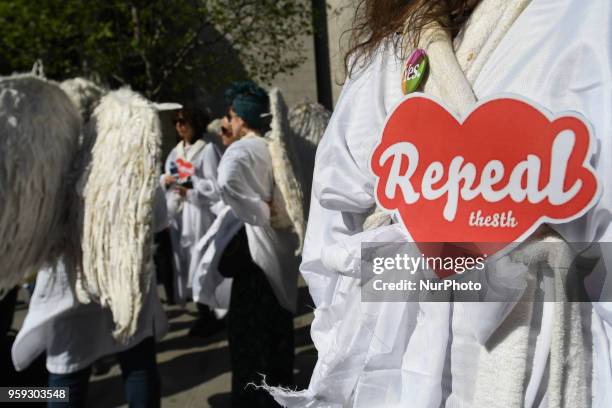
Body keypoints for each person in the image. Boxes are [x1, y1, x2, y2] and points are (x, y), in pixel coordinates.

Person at [271, 0, 612, 407]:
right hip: (396, 381)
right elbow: (335, 231)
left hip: (539, 379)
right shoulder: (393, 50)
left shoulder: (587, 21)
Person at [12, 187, 169, 408]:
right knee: (137, 364)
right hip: (124, 281)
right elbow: (158, 217)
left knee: (67, 374)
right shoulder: (133, 153)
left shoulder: (52, 156)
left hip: (69, 286)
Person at [216, 81, 299, 407]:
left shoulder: (241, 149)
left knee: (250, 349)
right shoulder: (271, 146)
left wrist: (257, 210)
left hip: (255, 259)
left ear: (241, 118)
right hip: (277, 255)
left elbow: (226, 181)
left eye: (231, 115)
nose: (228, 122)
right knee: (277, 340)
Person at [161, 106, 224, 336]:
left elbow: (216, 186)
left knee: (202, 262)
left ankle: (212, 313)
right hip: (181, 214)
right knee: (187, 262)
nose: (179, 127)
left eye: (183, 122)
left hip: (200, 215)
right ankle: (203, 311)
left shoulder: (207, 151)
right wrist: (166, 180)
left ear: (194, 123)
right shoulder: (176, 152)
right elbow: (168, 174)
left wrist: (192, 189)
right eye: (176, 122)